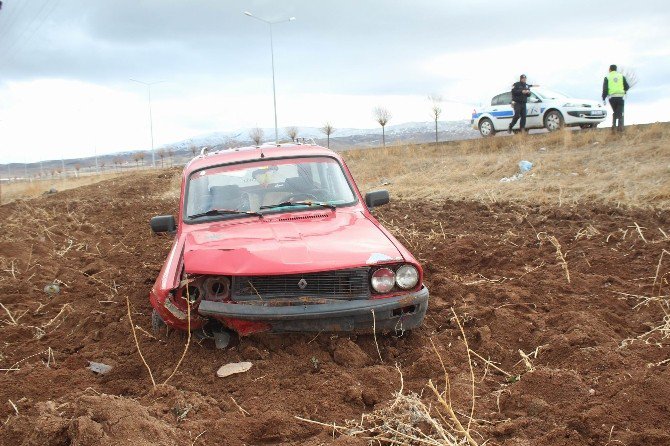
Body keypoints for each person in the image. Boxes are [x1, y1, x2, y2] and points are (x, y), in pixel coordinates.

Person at [602, 64, 629, 133]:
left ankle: (613, 127)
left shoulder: (607, 77)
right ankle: (620, 128)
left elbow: (605, 89)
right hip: (620, 97)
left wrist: (603, 98)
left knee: (615, 112)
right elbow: (627, 86)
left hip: (612, 98)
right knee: (620, 112)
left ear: (610, 69)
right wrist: (624, 90)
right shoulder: (621, 76)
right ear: (616, 69)